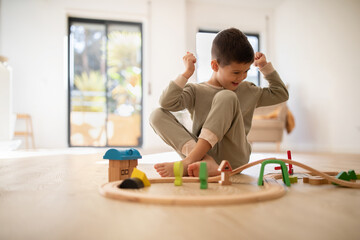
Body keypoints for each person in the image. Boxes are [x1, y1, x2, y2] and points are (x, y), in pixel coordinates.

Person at [150, 28, 289, 177]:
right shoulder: (196, 90)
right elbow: (166, 103)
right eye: (236, 72)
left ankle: (189, 161)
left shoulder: (248, 90)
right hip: (202, 154)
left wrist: (264, 67)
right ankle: (205, 161)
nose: (242, 77)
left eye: (246, 71)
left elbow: (280, 94)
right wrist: (186, 74)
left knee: (227, 96)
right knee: (156, 115)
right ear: (215, 66)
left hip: (234, 158)